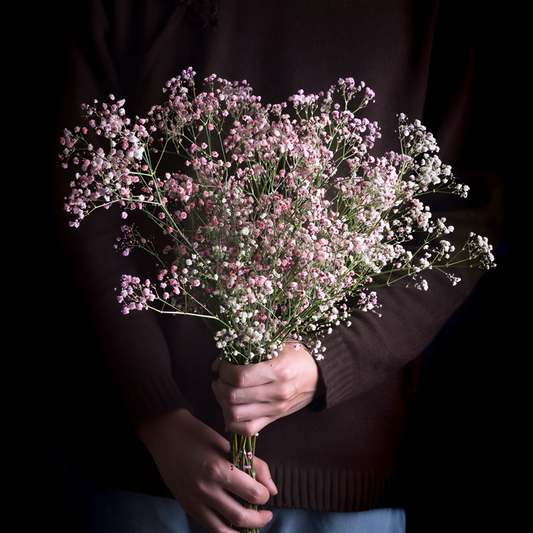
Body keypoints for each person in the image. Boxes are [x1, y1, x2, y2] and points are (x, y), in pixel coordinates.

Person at [49, 1, 504, 531]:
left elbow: (466, 218)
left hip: (348, 477)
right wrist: (155, 412)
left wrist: (329, 361)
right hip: (150, 473)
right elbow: (81, 195)